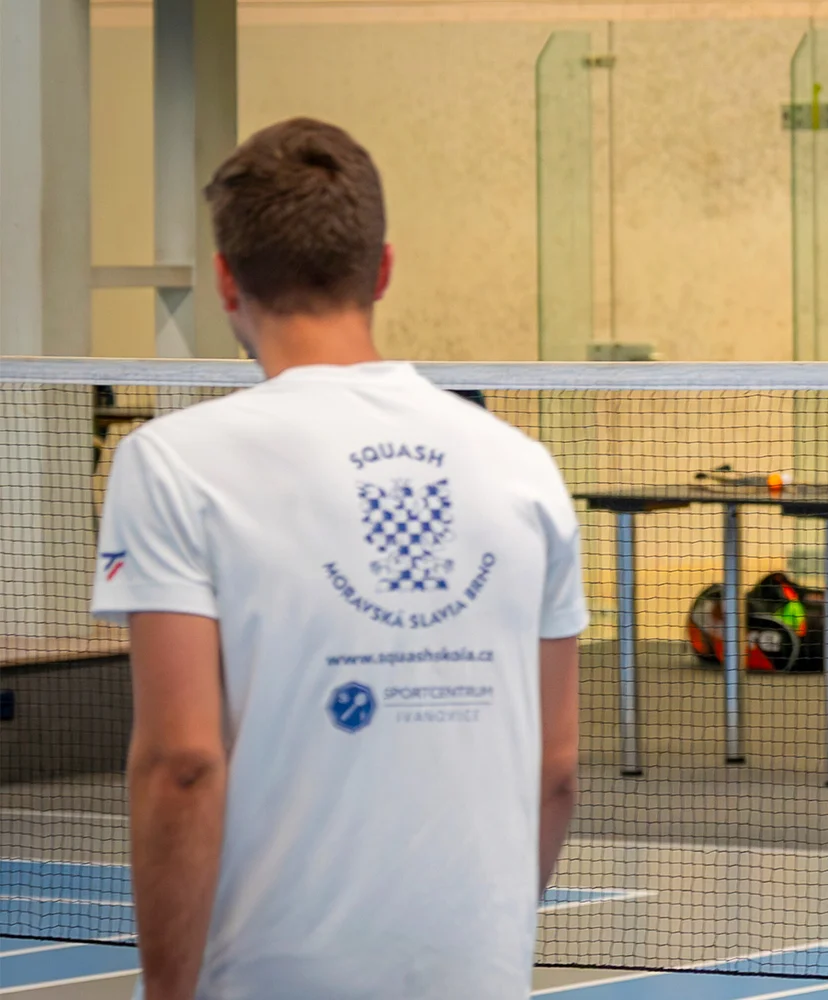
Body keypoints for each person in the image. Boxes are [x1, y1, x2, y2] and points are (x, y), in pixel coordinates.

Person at [92, 118, 588, 1000]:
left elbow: (182, 763)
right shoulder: (524, 469)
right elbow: (555, 771)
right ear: (383, 270)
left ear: (225, 280)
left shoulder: (169, 465)